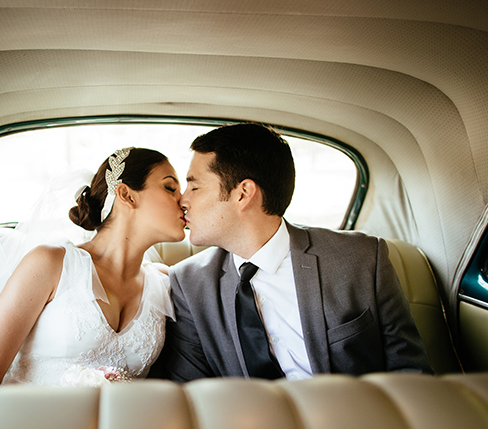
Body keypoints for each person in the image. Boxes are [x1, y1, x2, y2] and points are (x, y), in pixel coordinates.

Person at [149, 123, 433, 381]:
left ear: (243, 194)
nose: (183, 200)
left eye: (194, 186)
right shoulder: (188, 284)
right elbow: (190, 393)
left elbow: (411, 375)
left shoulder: (361, 259)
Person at [0, 147, 186, 387]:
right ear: (127, 195)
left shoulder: (165, 284)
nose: (183, 201)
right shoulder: (50, 265)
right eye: (170, 188)